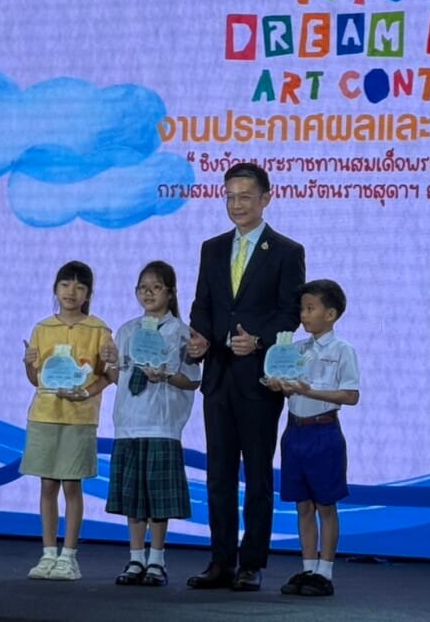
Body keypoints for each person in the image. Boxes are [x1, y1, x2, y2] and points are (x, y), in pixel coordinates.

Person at [185, 161, 306, 592]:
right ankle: (221, 561)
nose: (236, 205)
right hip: (218, 375)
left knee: (257, 475)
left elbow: (290, 314)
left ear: (266, 199)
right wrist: (201, 337)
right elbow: (202, 303)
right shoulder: (212, 248)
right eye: (230, 197)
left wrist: (258, 341)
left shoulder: (287, 251)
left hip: (258, 379)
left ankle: (251, 563)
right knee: (218, 475)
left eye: (245, 197)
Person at [99, 260, 201, 588]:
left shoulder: (181, 333)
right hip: (129, 422)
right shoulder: (127, 330)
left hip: (162, 424)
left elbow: (193, 380)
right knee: (133, 498)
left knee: (158, 498)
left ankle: (157, 559)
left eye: (156, 287)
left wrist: (166, 375)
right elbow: (118, 377)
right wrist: (109, 362)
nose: (148, 293)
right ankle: (135, 558)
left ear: (170, 293)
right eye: (143, 288)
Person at [266, 279, 360, 598]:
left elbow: (351, 395)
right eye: (302, 309)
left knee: (325, 505)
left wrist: (311, 391)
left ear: (330, 314)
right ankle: (308, 567)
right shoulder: (294, 350)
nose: (304, 315)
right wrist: (277, 385)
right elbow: (283, 384)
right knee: (302, 504)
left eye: (310, 309)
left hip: (324, 432)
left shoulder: (343, 350)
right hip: (295, 432)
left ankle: (325, 571)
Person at [20, 260, 114, 581]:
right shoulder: (42, 328)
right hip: (44, 415)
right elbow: (37, 380)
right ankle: (48, 553)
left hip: (80, 418)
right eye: (65, 284)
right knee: (48, 484)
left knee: (72, 485)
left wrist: (87, 393)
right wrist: (29, 364)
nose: (71, 292)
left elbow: (108, 375)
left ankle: (69, 557)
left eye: (79, 286)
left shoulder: (99, 330)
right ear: (55, 289)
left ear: (88, 294)